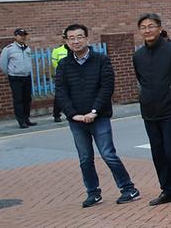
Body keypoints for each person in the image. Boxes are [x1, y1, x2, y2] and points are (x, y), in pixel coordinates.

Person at [56, 23, 140, 208]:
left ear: (87, 38)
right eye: (72, 38)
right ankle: (93, 193)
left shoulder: (101, 60)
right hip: (77, 121)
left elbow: (107, 87)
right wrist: (73, 115)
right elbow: (61, 92)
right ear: (67, 41)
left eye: (79, 37)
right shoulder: (63, 65)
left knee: (108, 154)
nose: (76, 41)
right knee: (85, 158)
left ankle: (129, 189)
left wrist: (94, 111)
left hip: (99, 117)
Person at [132, 13, 171, 206]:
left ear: (159, 28)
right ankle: (167, 190)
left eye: (151, 26)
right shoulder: (138, 55)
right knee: (158, 153)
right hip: (149, 111)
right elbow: (141, 79)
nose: (147, 30)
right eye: (143, 27)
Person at [0, 28, 35, 129]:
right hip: (15, 77)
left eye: (24, 35)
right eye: (20, 35)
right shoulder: (8, 49)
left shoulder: (27, 48)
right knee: (18, 99)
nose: (23, 37)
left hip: (26, 76)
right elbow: (3, 64)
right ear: (15, 36)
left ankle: (26, 118)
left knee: (27, 99)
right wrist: (11, 73)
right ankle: (21, 121)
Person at [51, 29, 69, 123]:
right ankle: (56, 115)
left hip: (73, 75)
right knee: (59, 96)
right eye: (65, 38)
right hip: (61, 76)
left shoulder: (74, 49)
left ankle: (70, 113)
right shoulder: (57, 50)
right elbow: (54, 63)